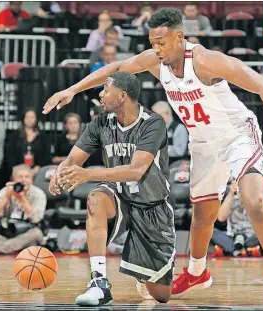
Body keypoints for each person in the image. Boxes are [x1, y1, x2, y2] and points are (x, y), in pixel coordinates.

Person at [43, 8, 263, 306]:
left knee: (255, 201)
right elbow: (116, 68)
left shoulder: (206, 61)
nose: (156, 49)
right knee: (202, 215)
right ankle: (197, 272)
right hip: (202, 142)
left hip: (237, 136)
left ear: (180, 37)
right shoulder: (155, 61)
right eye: (153, 42)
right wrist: (72, 90)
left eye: (162, 42)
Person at [48, 72, 176, 306]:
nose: (101, 94)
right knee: (95, 198)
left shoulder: (153, 123)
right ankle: (99, 283)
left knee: (161, 296)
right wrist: (61, 172)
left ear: (123, 96)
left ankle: (143, 273)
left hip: (151, 206)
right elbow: (75, 158)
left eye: (106, 90)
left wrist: (87, 174)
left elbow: (136, 170)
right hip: (118, 196)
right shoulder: (101, 122)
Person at [0, 164, 46, 254]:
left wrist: (22, 199)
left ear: (31, 180)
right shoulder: (5, 191)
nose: (23, 180)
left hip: (26, 233)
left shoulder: (38, 194)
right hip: (6, 233)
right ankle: (6, 248)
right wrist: (6, 198)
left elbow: (36, 219)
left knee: (36, 234)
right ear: (13, 180)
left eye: (27, 177)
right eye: (20, 177)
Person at [211, 180, 262, 257]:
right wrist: (231, 194)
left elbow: (262, 220)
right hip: (231, 235)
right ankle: (246, 249)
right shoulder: (231, 198)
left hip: (252, 235)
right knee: (209, 230)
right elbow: (221, 218)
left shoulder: (261, 196)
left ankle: (230, 249)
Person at [6, 108, 51, 177]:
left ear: (36, 119)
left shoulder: (43, 136)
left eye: (32, 117)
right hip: (18, 172)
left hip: (38, 172)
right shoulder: (14, 136)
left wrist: (39, 167)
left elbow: (47, 155)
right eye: (27, 117)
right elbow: (10, 154)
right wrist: (17, 168)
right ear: (23, 118)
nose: (29, 120)